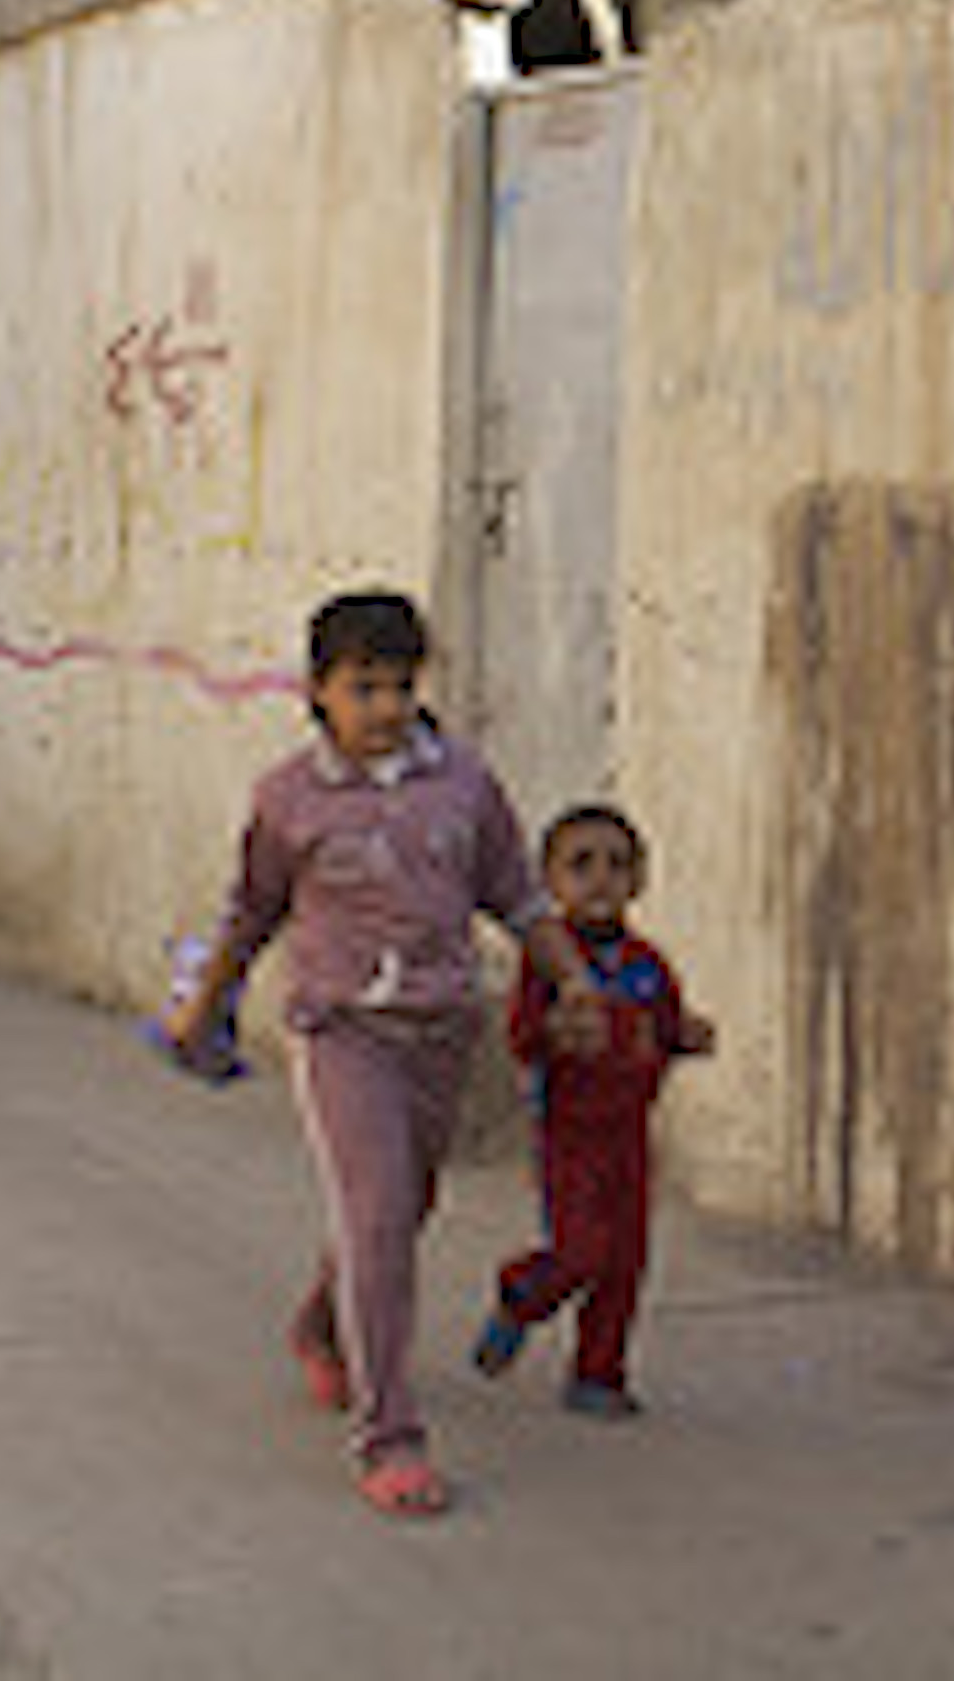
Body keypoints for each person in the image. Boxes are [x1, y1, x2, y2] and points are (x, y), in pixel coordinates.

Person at [165, 588, 603, 1519]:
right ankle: (390, 1435)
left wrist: (576, 982)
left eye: (402, 686)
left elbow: (518, 896)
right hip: (340, 1031)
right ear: (319, 690)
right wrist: (206, 1006)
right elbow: (251, 910)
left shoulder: (466, 784)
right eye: (364, 687)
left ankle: (323, 1322)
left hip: (441, 1029)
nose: (387, 708)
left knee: (402, 1213)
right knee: (376, 1212)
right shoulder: (288, 798)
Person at [470, 801, 715, 1418]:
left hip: (631, 1134)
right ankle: (522, 1293)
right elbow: (521, 1039)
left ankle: (598, 1375)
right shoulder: (548, 961)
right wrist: (557, 1027)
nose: (600, 878)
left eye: (617, 865)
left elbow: (660, 1030)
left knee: (625, 1263)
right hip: (571, 1135)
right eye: (581, 865)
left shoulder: (647, 966)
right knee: (581, 1252)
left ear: (639, 880)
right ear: (551, 882)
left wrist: (684, 1036)